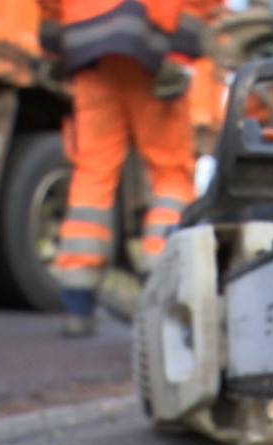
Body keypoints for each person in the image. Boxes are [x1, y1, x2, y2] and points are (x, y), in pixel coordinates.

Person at [36, 0, 212, 337]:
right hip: (154, 45)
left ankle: (77, 304)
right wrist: (181, 53)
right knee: (170, 175)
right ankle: (164, 290)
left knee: (91, 172)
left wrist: (52, 48)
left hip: (89, 52)